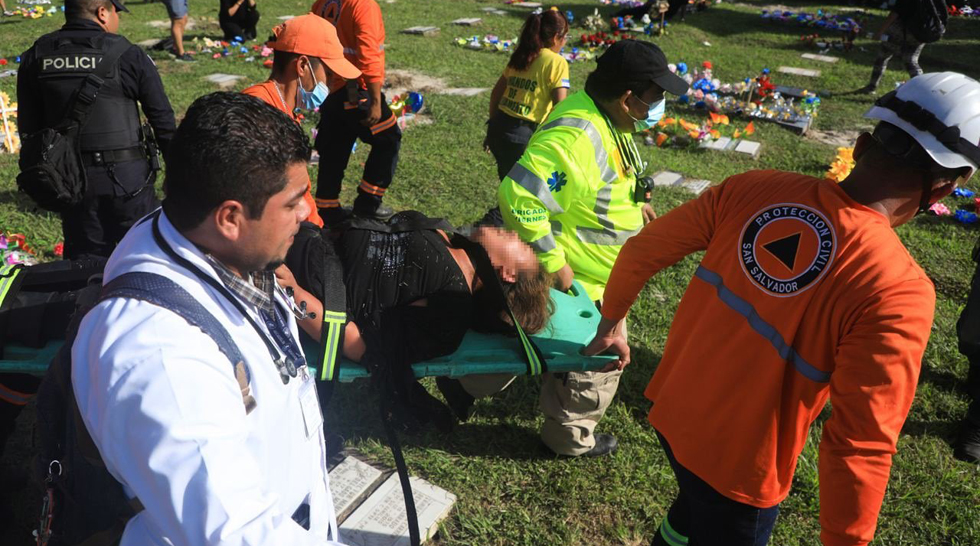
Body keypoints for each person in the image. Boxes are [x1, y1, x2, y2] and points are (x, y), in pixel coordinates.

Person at [585, 72, 979, 546]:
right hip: (742, 471)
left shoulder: (753, 187)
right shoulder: (898, 290)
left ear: (860, 144)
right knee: (709, 509)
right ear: (945, 189)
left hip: (673, 413)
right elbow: (861, 443)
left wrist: (611, 322)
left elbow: (642, 250)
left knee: (693, 504)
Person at [72, 92, 348, 545]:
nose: (305, 213)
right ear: (230, 218)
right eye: (293, 201)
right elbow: (237, 534)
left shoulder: (200, 235)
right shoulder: (161, 357)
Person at [446, 40, 687, 458]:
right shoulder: (581, 134)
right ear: (628, 98)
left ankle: (464, 383)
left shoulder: (606, 118)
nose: (661, 103)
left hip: (585, 278)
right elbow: (520, 193)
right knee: (598, 365)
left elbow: (601, 176)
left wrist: (634, 200)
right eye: (656, 95)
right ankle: (569, 438)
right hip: (581, 284)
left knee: (519, 341)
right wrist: (558, 265)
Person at [279, 212, 550, 429]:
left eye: (521, 246)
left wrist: (292, 292)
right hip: (298, 235)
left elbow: (359, 344)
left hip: (291, 273)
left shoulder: (450, 309)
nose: (513, 234)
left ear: (509, 274)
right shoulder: (449, 240)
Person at [17, 0, 176, 260]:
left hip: (71, 182)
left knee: (84, 268)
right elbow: (164, 122)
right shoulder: (128, 54)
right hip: (129, 183)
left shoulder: (37, 55)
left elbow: (30, 132)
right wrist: (177, 177)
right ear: (103, 12)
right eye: (116, 13)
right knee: (145, 259)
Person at [243, 13, 363, 228]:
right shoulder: (258, 113)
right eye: (328, 73)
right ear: (303, 66)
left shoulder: (284, 110)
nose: (333, 83)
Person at [311, 0, 400, 224]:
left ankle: (326, 207)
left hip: (331, 87)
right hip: (355, 90)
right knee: (388, 138)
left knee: (335, 145)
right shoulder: (364, 5)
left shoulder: (323, 2)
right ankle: (368, 204)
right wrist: (376, 100)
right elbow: (368, 54)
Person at [484, 8, 569, 180]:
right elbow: (560, 108)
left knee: (508, 186)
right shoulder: (556, 62)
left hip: (499, 129)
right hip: (522, 137)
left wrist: (492, 127)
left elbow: (496, 94)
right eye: (566, 37)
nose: (565, 42)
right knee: (525, 195)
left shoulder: (523, 55)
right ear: (555, 38)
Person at [858, 0, 938, 94]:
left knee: (883, 56)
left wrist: (880, 32)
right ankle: (923, 92)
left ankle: (871, 87)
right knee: (911, 61)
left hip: (900, 30)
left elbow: (895, 13)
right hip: (921, 33)